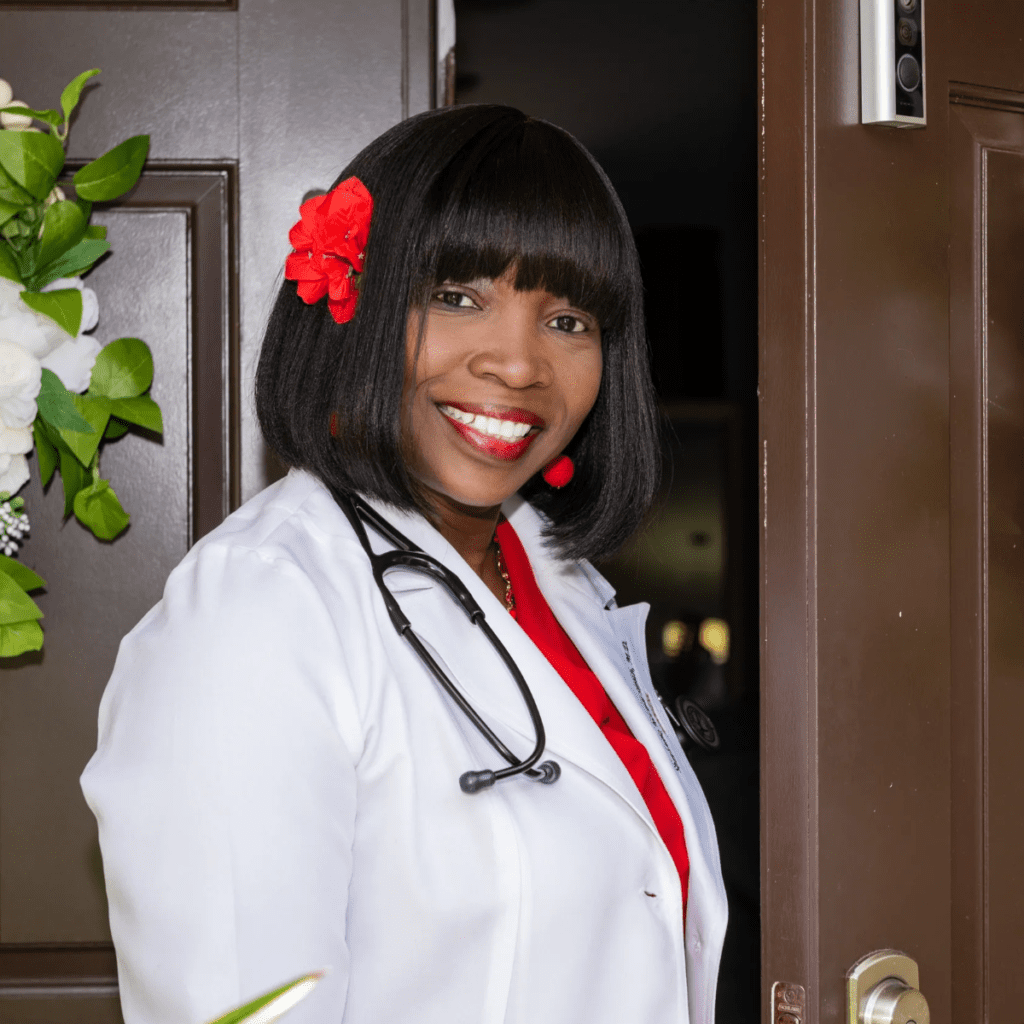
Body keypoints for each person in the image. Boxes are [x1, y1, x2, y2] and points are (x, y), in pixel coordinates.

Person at [81, 104, 727, 1024]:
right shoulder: (261, 611)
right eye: (457, 296)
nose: (517, 362)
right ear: (359, 303)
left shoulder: (559, 579)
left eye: (569, 319)